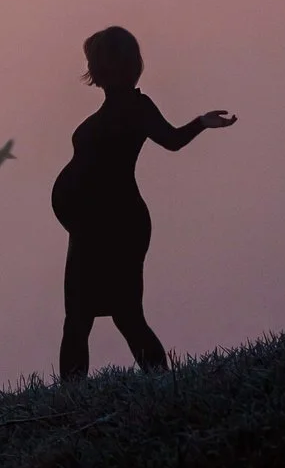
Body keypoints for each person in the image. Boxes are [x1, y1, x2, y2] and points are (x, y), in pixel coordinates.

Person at [50, 26, 235, 380]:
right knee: (78, 317)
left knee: (124, 313)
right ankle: (72, 398)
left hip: (119, 224)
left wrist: (200, 123)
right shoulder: (112, 111)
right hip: (89, 227)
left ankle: (161, 385)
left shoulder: (138, 107)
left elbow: (172, 140)